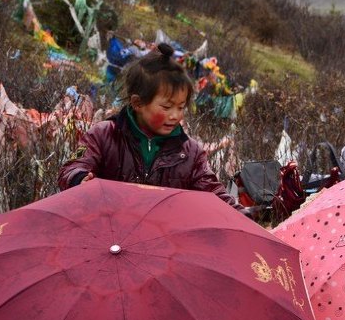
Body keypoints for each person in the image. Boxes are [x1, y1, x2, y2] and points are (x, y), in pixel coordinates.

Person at [58, 43, 246, 214]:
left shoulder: (190, 154)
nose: (175, 115)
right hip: (109, 234)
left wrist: (242, 215)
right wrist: (79, 179)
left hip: (161, 240)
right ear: (138, 103)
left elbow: (213, 194)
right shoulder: (104, 135)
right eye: (166, 107)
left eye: (181, 107)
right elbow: (73, 167)